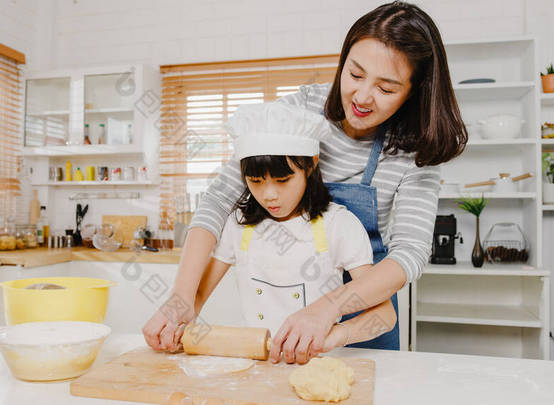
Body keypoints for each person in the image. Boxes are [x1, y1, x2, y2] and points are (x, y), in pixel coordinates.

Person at [143, 1, 467, 364]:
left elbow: (408, 254)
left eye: (386, 88)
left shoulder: (415, 150)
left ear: (414, 90)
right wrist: (183, 299)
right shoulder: (300, 112)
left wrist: (328, 309)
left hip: (366, 317)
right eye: (355, 74)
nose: (361, 97)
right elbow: (218, 200)